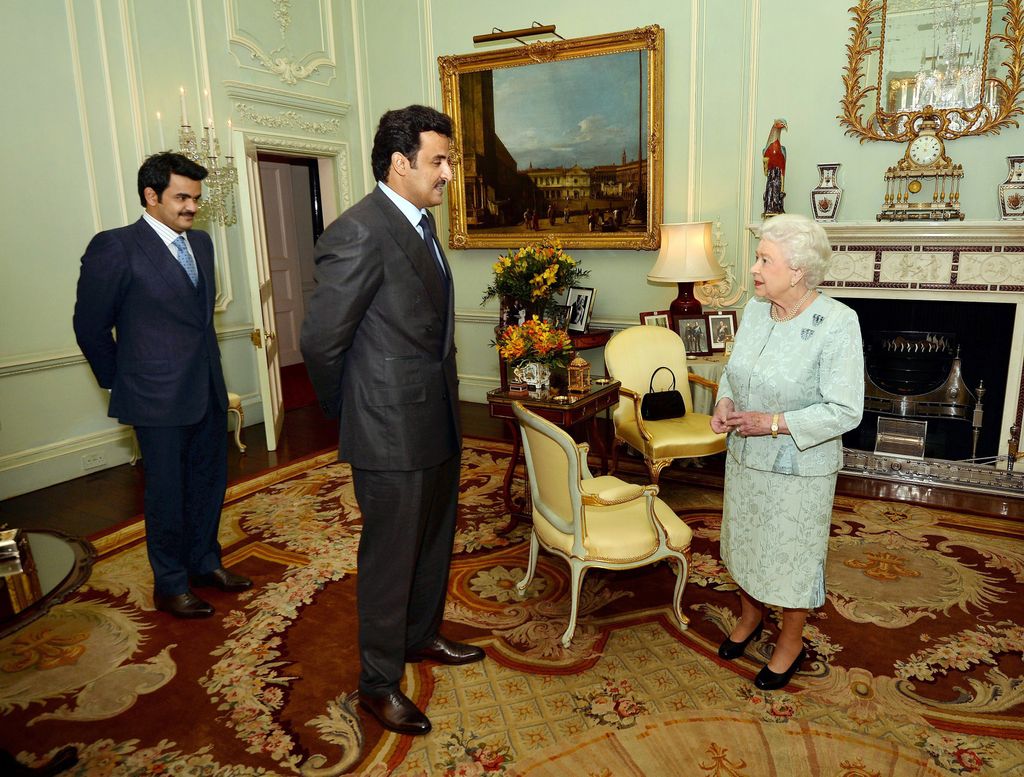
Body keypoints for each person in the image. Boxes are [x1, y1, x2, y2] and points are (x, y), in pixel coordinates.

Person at [300, 105, 483, 737]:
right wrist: (352, 411)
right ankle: (378, 684)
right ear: (400, 163)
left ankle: (420, 636)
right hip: (389, 430)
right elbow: (321, 342)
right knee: (389, 560)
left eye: (449, 161)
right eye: (439, 161)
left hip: (435, 422)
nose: (448, 174)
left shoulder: (420, 224)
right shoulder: (358, 230)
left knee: (433, 542)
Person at [73, 152, 252, 620]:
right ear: (151, 195)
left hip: (207, 390)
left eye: (196, 198)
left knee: (209, 485)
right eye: (181, 197)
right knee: (167, 494)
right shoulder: (116, 246)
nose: (192, 207)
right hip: (155, 399)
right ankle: (170, 585)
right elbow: (90, 326)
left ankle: (205, 564)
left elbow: (196, 321)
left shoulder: (203, 244)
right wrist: (121, 383)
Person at [710, 214, 863, 691]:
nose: (754, 269)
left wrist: (773, 423)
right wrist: (725, 402)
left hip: (800, 468)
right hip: (745, 459)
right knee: (745, 543)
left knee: (792, 556)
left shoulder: (837, 323)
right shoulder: (756, 310)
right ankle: (750, 615)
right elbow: (734, 371)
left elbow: (845, 409)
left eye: (764, 260)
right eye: (757, 258)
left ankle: (790, 641)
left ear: (797, 270)